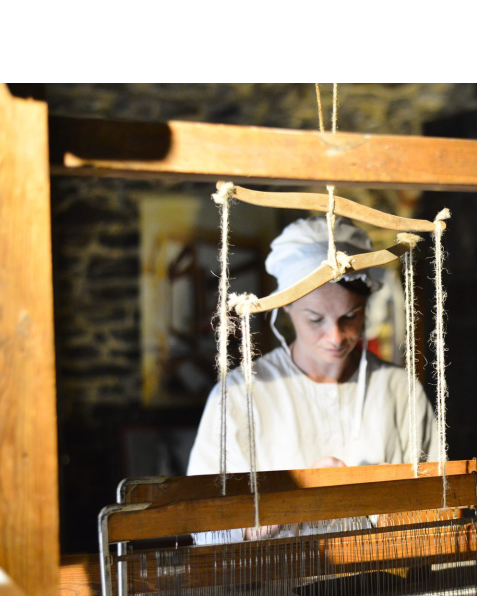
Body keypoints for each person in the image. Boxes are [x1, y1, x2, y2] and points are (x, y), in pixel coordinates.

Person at [187, 215, 439, 540]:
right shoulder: (240, 395)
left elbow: (437, 503)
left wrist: (368, 501)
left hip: (385, 569)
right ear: (287, 307)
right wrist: (283, 508)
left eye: (350, 316)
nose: (335, 337)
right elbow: (204, 526)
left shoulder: (398, 390)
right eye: (315, 319)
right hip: (276, 573)